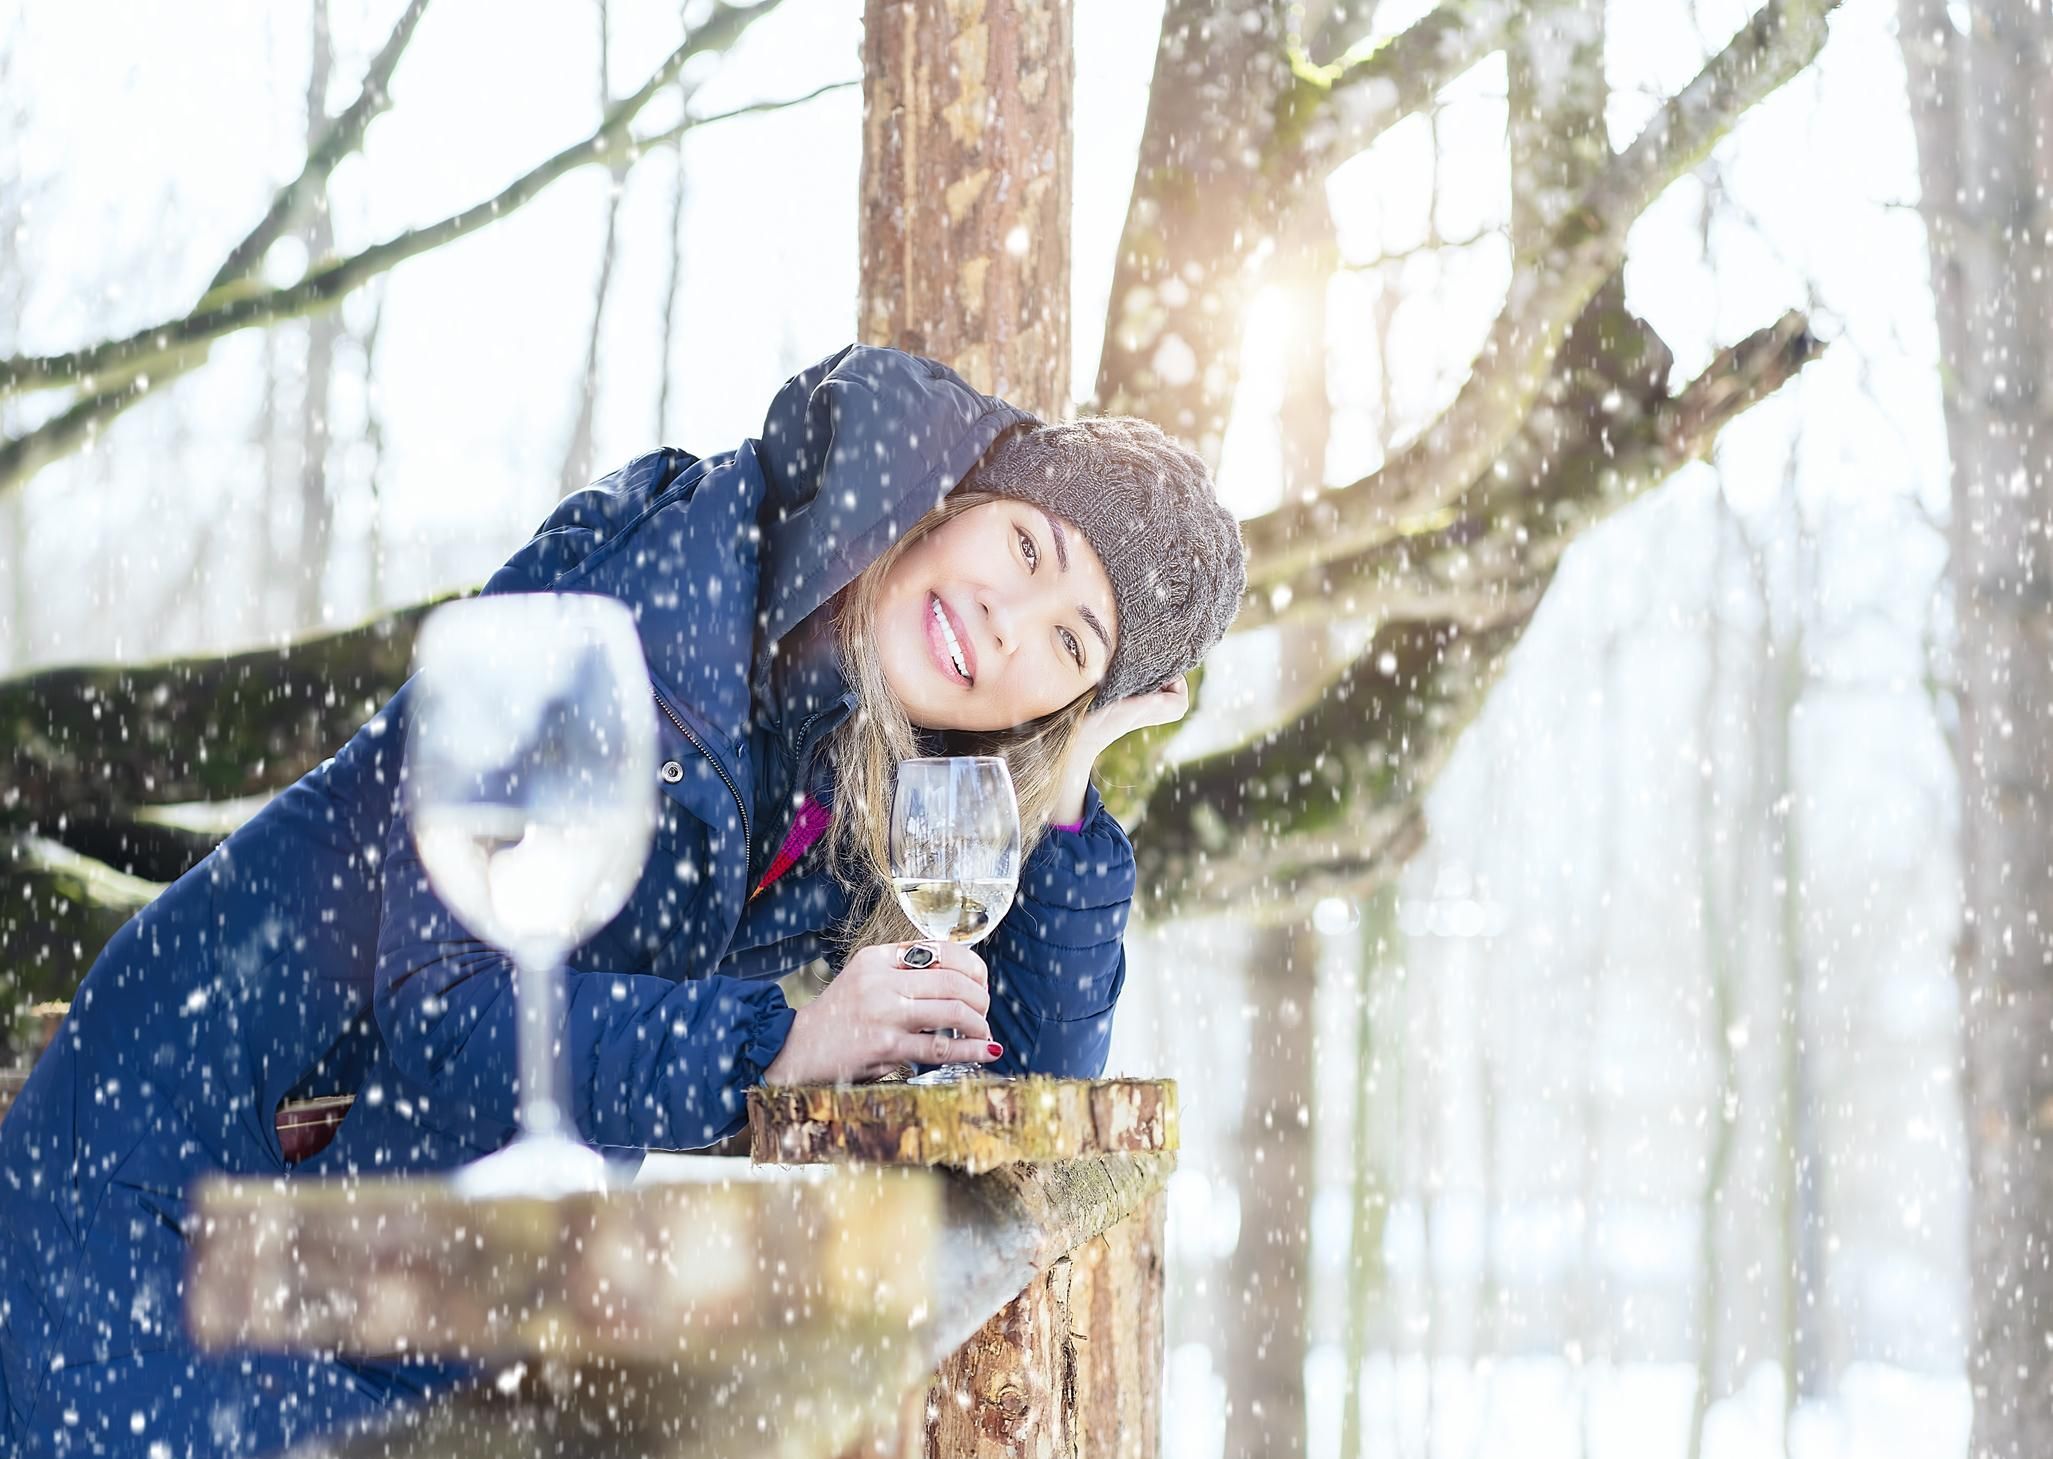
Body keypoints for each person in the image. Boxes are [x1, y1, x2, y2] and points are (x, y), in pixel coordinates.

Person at [0, 343, 1248, 1456]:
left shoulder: (869, 756)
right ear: (959, 497)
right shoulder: (665, 598)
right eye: (1028, 546)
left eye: (1071, 648)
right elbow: (449, 1011)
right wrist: (781, 1046)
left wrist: (1074, 776)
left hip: (400, 1265)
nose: (1010, 618)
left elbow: (1023, 1096)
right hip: (184, 1171)